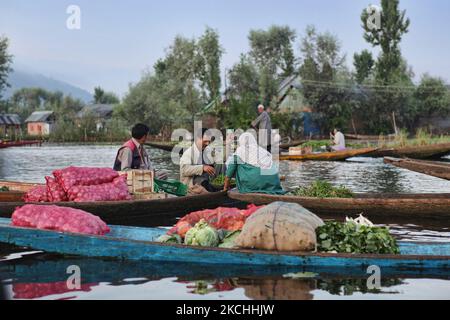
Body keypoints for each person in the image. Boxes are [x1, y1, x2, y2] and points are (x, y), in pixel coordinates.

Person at [179, 128, 223, 192]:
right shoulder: (188, 153)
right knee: (204, 182)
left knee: (221, 165)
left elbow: (218, 160)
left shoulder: (209, 150)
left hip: (208, 180)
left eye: (209, 141)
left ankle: (218, 186)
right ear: (198, 139)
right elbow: (184, 170)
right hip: (193, 183)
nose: (207, 143)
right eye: (205, 141)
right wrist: (202, 168)